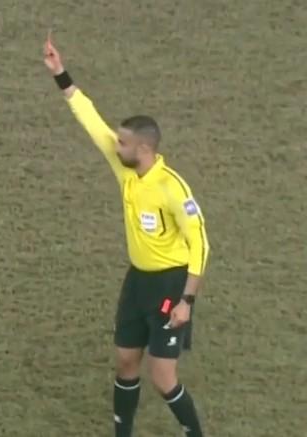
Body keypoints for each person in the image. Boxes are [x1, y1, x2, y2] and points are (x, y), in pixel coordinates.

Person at [42, 33, 210, 437]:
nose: (115, 145)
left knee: (162, 376)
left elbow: (201, 244)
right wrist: (61, 74)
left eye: (123, 142)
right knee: (125, 362)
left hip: (170, 285)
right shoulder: (126, 168)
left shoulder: (172, 188)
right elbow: (91, 120)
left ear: (144, 150)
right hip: (137, 281)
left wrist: (186, 301)